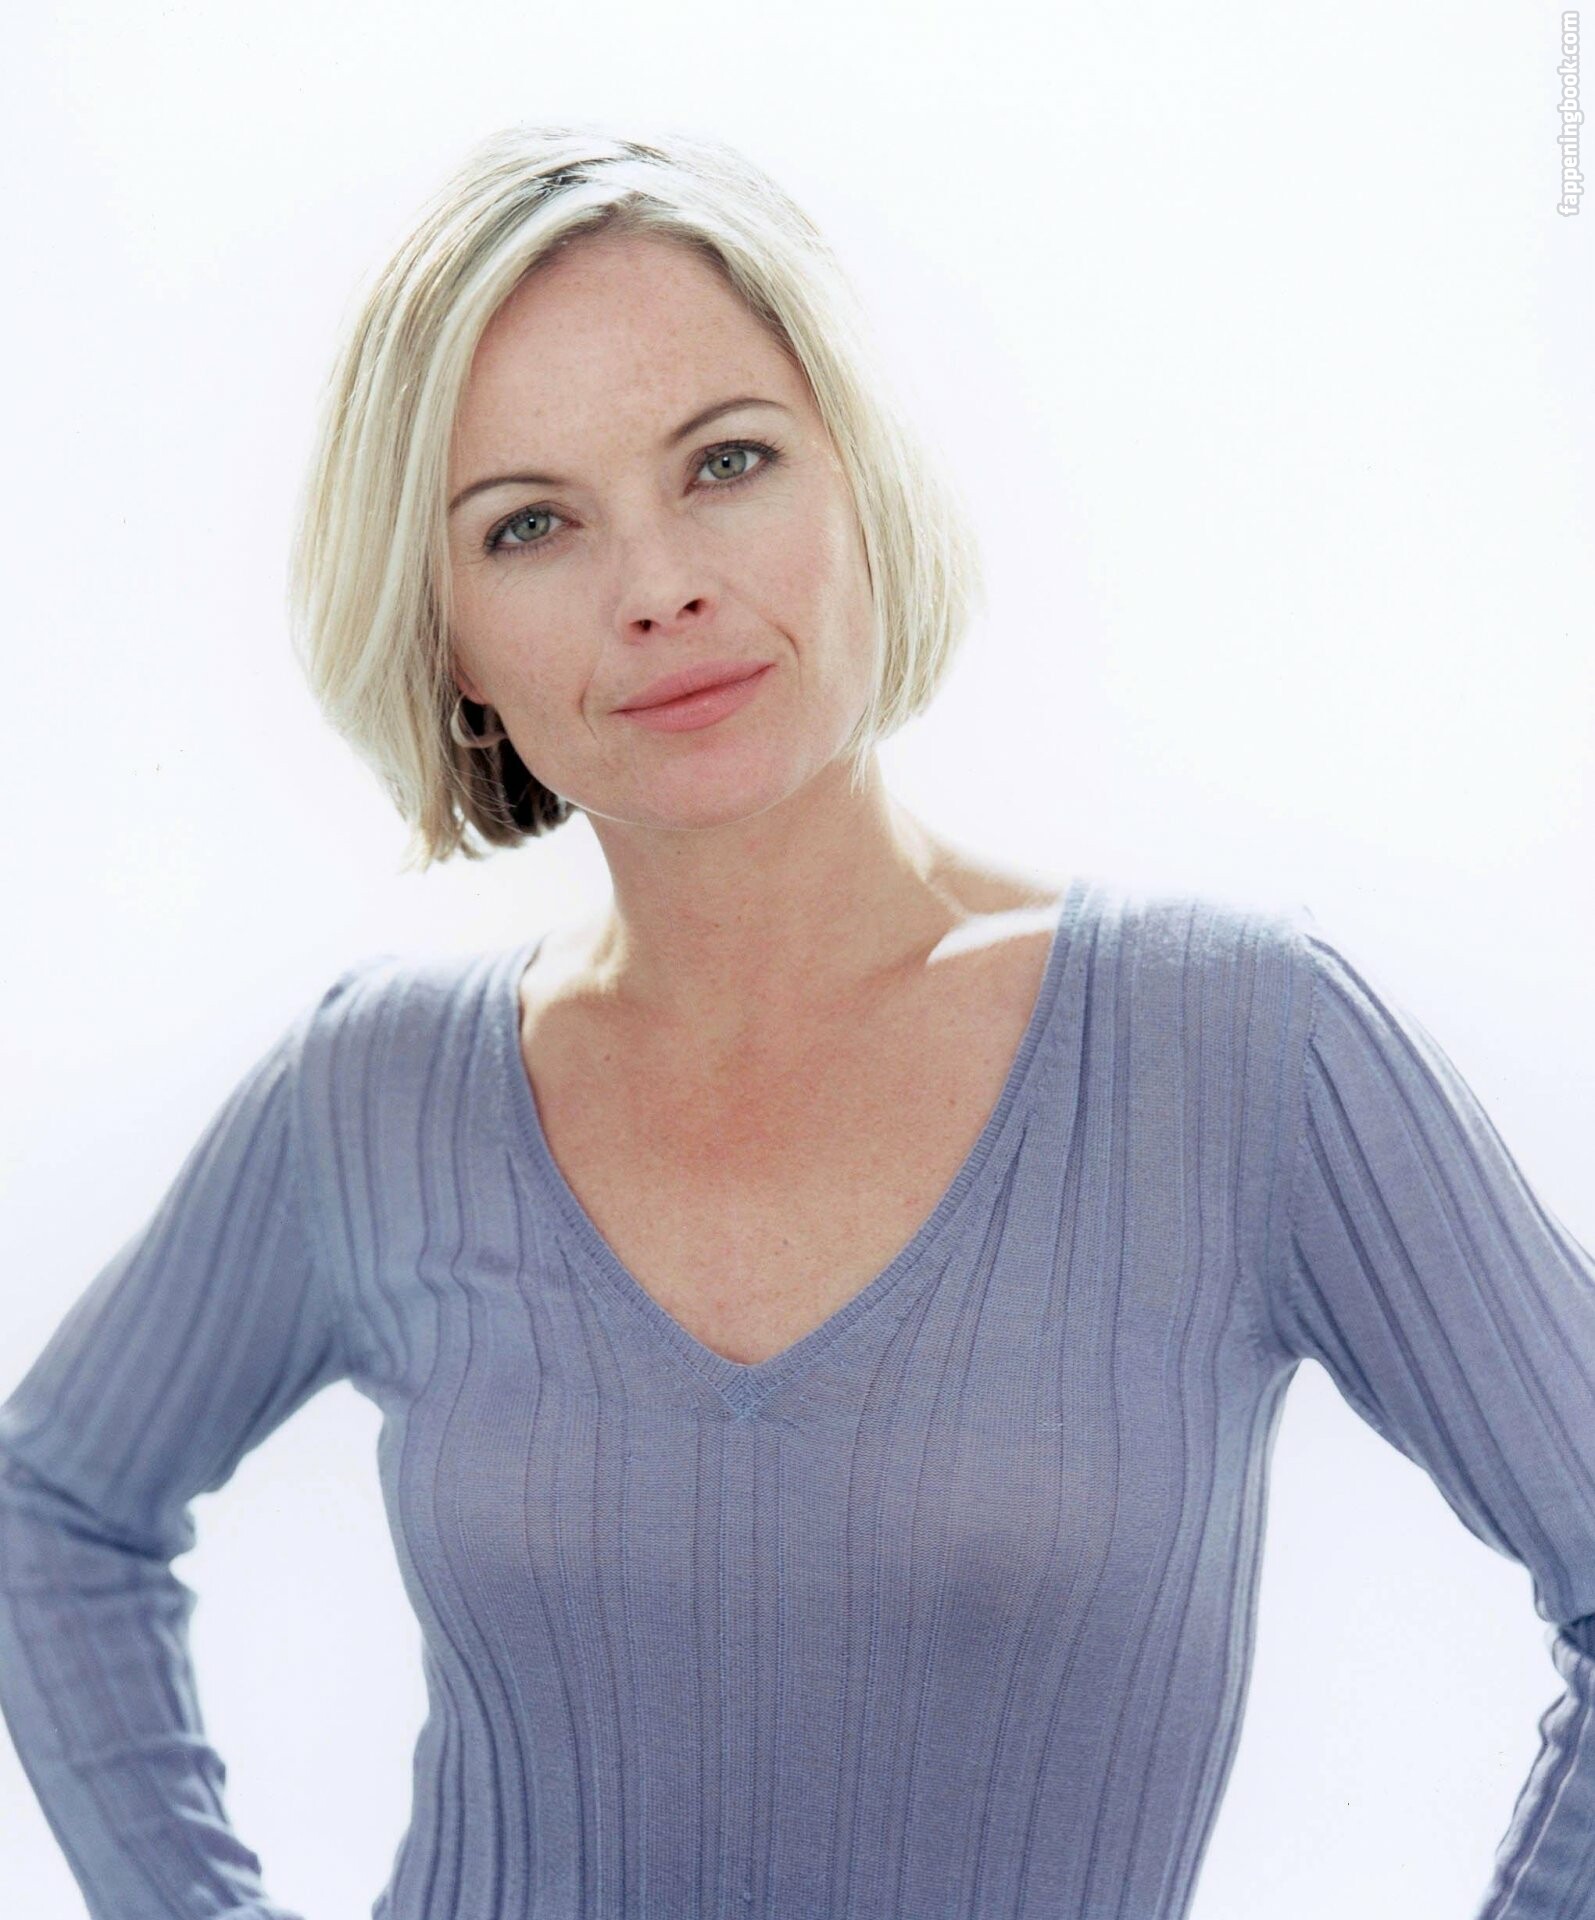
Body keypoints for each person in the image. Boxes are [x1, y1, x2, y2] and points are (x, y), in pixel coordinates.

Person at [1, 120, 1592, 1920]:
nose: (658, 585)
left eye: (728, 461)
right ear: (449, 639)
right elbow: (52, 1508)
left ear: (859, 482)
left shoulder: (1237, 1049)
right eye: (531, 524)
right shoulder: (375, 1095)